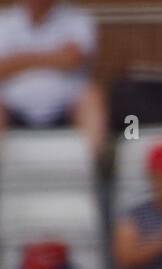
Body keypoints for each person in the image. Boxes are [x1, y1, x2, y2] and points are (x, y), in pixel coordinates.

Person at [0, 0, 105, 156]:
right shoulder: (5, 22)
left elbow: (73, 59)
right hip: (13, 107)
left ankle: (91, 166)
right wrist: (53, 56)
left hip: (66, 106)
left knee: (92, 97)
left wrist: (20, 59)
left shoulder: (76, 19)